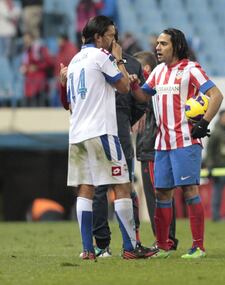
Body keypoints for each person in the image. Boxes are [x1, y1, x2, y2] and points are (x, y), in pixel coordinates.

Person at [65, 15, 157, 260]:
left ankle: (87, 249)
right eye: (110, 35)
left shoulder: (74, 61)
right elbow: (125, 87)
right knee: (122, 186)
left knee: (86, 188)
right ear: (98, 37)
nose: (114, 40)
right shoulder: (102, 56)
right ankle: (130, 247)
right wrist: (118, 58)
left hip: (77, 134)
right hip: (102, 131)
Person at [129, 28, 223, 259]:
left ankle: (198, 246)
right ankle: (163, 246)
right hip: (162, 144)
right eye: (157, 44)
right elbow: (143, 96)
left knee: (190, 190)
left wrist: (204, 123)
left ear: (177, 46)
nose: (157, 48)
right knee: (162, 193)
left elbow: (216, 95)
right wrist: (132, 86)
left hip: (186, 141)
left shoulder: (191, 69)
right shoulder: (158, 71)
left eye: (163, 44)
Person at [91, 29, 149, 258]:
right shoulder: (97, 62)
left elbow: (141, 100)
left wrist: (127, 120)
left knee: (116, 185)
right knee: (108, 187)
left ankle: (122, 242)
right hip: (107, 128)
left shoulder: (130, 64)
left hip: (114, 127)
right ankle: (113, 244)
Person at [133, 50, 178, 249]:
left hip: (151, 147)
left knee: (156, 196)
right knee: (162, 194)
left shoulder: (150, 90)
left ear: (146, 69)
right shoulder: (154, 87)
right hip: (151, 147)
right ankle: (167, 238)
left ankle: (164, 240)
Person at [20, 31, 53, 106]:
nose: (26, 42)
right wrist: (24, 68)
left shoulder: (39, 49)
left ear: (32, 40)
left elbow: (49, 62)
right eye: (25, 41)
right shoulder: (26, 52)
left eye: (27, 40)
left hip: (39, 85)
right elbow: (25, 65)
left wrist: (37, 67)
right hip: (29, 86)